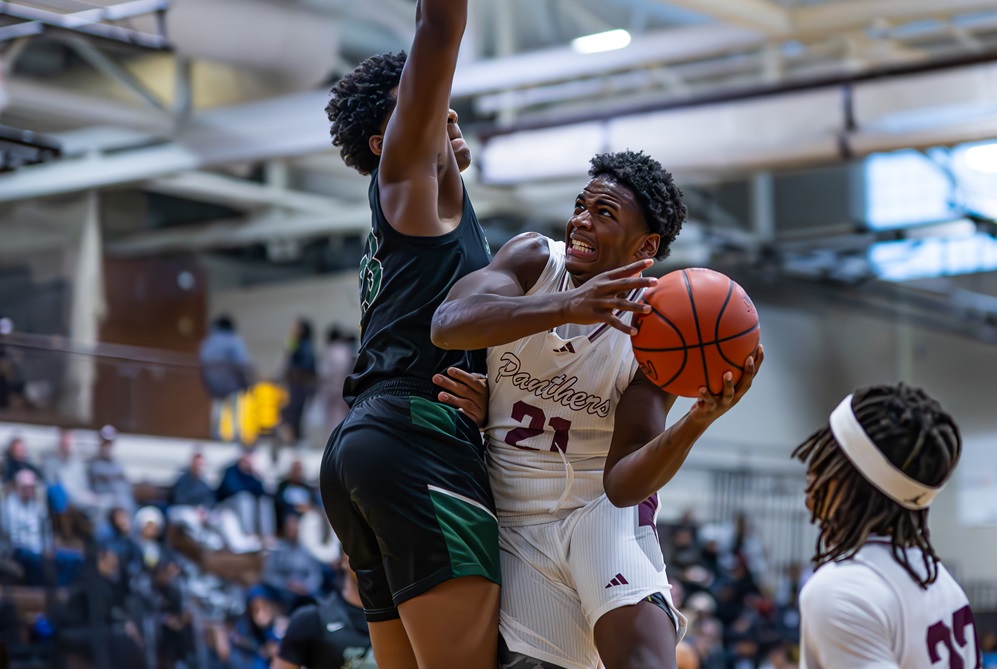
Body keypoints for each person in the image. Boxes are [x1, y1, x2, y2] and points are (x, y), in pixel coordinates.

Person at [432, 150, 762, 669]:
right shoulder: (535, 261)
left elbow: (624, 484)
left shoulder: (656, 329)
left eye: (604, 213)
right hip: (516, 518)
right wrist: (564, 306)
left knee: (644, 659)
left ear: (646, 246)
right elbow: (448, 322)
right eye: (582, 205)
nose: (581, 220)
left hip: (599, 514)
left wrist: (699, 420)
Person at [318, 0, 498, 667]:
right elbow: (440, 25)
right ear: (383, 141)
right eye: (422, 99)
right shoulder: (410, 184)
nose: (442, 106)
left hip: (368, 443)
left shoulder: (425, 211)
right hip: (414, 445)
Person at [793, 383, 981, 669]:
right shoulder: (940, 581)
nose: (810, 477)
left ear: (849, 482)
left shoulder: (842, 590)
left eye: (827, 456)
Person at [273, 553, 375, 669]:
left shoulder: (398, 614)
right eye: (358, 549)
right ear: (343, 559)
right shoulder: (310, 619)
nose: (370, 556)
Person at [200, 315, 254, 443]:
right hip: (231, 380)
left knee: (218, 406)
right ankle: (236, 434)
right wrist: (247, 382)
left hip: (213, 380)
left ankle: (215, 433)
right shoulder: (233, 340)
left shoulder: (208, 342)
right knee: (234, 407)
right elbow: (242, 361)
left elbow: (203, 363)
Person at [280, 318, 318, 446]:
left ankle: (297, 439)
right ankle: (295, 438)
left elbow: (304, 364)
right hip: (297, 384)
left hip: (300, 384)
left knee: (296, 412)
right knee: (293, 411)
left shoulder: (305, 345)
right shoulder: (299, 343)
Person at [318, 327, 355, 435]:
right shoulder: (346, 350)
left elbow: (323, 372)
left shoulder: (329, 350)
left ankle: (332, 439)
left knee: (331, 419)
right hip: (343, 387)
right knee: (343, 417)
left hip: (329, 388)